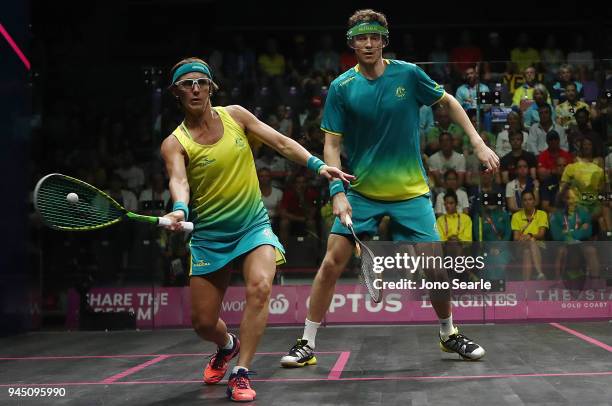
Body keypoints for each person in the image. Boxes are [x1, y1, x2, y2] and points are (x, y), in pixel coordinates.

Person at [280, 9, 499, 367]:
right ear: (352, 43)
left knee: (435, 269)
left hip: (411, 193)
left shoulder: (409, 74)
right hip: (361, 192)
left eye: (374, 37)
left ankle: (449, 334)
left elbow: (450, 102)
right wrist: (337, 193)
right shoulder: (341, 88)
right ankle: (307, 342)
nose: (368, 44)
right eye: (361, 38)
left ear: (384, 40)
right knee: (331, 264)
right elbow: (331, 146)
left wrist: (476, 142)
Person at [160, 57, 353, 402]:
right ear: (176, 92)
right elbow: (179, 181)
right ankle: (226, 345)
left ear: (210, 88)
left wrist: (319, 165)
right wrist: (179, 210)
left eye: (201, 82)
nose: (195, 88)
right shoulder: (175, 142)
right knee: (204, 323)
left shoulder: (235, 116)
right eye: (187, 84)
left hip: (253, 226)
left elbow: (280, 142)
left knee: (261, 287)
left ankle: (241, 372)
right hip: (209, 238)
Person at [511, 191, 549, 280]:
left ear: (534, 201)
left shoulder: (542, 214)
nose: (528, 202)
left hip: (540, 245)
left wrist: (530, 235)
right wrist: (526, 238)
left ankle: (526, 284)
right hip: (521, 244)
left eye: (530, 199)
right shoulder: (516, 216)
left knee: (527, 252)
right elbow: (515, 237)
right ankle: (540, 273)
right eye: (525, 200)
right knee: (530, 242)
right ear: (522, 202)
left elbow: (541, 234)